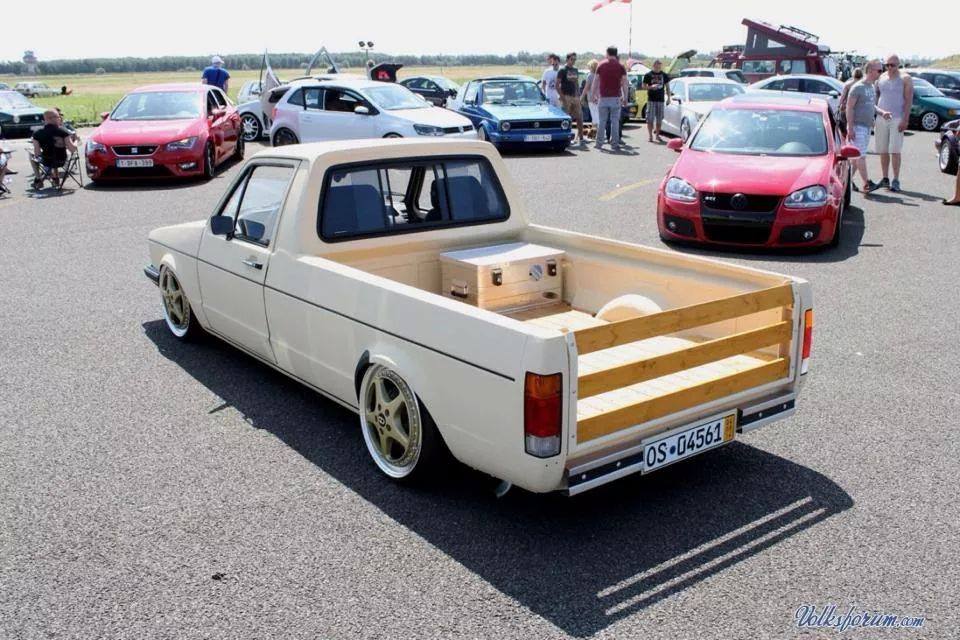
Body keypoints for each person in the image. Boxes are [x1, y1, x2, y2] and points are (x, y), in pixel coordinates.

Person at [845, 60, 892, 194]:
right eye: (879, 70)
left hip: (866, 127)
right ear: (870, 70)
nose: (881, 73)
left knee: (856, 159)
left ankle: (847, 181)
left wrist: (882, 112)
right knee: (860, 156)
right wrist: (850, 128)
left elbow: (871, 105)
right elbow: (849, 107)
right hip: (857, 126)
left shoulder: (871, 87)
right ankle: (867, 183)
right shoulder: (858, 87)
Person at [875, 54, 913, 192]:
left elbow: (909, 100)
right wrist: (876, 113)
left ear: (898, 65)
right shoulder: (881, 77)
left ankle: (896, 180)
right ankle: (885, 178)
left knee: (895, 150)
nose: (890, 68)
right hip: (881, 118)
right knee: (883, 150)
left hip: (897, 118)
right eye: (887, 65)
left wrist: (905, 119)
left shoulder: (905, 78)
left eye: (893, 65)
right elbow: (876, 96)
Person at [590, 46, 628, 150]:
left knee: (602, 121)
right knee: (615, 121)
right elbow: (625, 83)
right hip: (615, 98)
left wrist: (593, 95)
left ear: (607, 53)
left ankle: (599, 144)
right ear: (616, 53)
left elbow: (595, 81)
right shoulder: (621, 66)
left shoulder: (601, 65)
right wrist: (625, 97)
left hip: (603, 98)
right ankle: (614, 144)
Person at [29, 109, 77, 188]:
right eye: (58, 117)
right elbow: (72, 149)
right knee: (56, 153)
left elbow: (37, 153)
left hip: (46, 161)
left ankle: (38, 178)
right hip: (62, 160)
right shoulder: (63, 131)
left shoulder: (37, 133)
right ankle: (55, 179)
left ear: (45, 119)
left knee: (31, 155)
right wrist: (76, 142)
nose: (59, 118)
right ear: (52, 118)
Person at [556, 52, 584, 145]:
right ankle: (566, 138)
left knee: (580, 117)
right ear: (567, 59)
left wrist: (578, 95)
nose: (573, 61)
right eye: (572, 59)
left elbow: (576, 83)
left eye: (575, 59)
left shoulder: (575, 70)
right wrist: (562, 97)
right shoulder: (562, 70)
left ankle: (581, 139)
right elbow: (557, 85)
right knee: (566, 119)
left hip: (575, 97)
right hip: (566, 96)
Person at [641, 60, 671, 143]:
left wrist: (669, 98)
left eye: (660, 65)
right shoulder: (648, 75)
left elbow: (668, 87)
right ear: (653, 65)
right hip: (651, 100)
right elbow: (643, 86)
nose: (658, 67)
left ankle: (657, 135)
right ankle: (650, 136)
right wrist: (651, 87)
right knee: (650, 119)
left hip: (661, 100)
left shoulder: (664, 75)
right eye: (657, 65)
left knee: (659, 119)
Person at [837, 67, 863, 138]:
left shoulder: (848, 85)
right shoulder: (862, 86)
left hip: (846, 108)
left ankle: (845, 140)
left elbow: (842, 97)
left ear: (853, 74)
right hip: (858, 110)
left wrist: (839, 106)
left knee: (845, 127)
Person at [583, 59, 600, 133]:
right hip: (599, 98)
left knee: (594, 116)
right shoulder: (600, 75)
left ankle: (597, 133)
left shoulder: (590, 76)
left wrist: (582, 97)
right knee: (598, 115)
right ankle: (597, 132)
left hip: (591, 98)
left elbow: (586, 88)